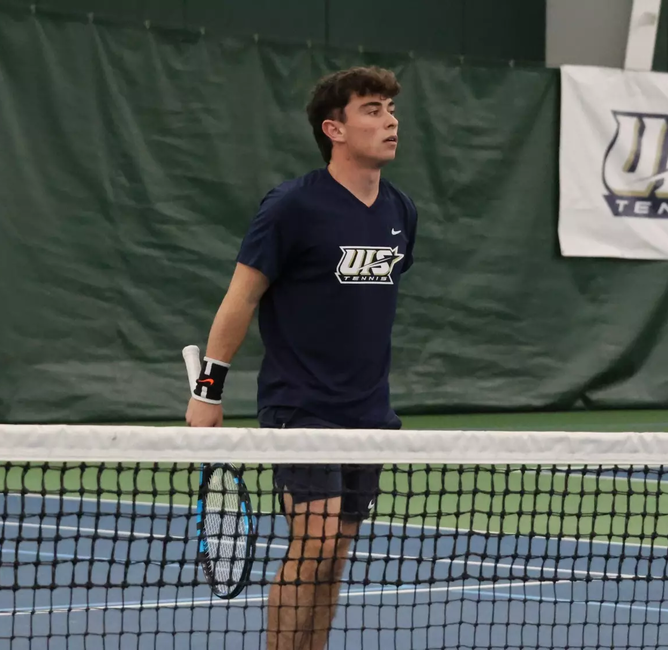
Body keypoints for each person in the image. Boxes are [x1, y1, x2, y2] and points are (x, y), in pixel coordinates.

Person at [185, 65, 417, 650]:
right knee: (313, 543)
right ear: (333, 129)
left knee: (335, 554)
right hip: (301, 406)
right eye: (372, 109)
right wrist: (207, 393)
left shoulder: (400, 213)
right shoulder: (291, 206)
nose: (389, 120)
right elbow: (241, 297)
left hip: (369, 413)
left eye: (391, 108)